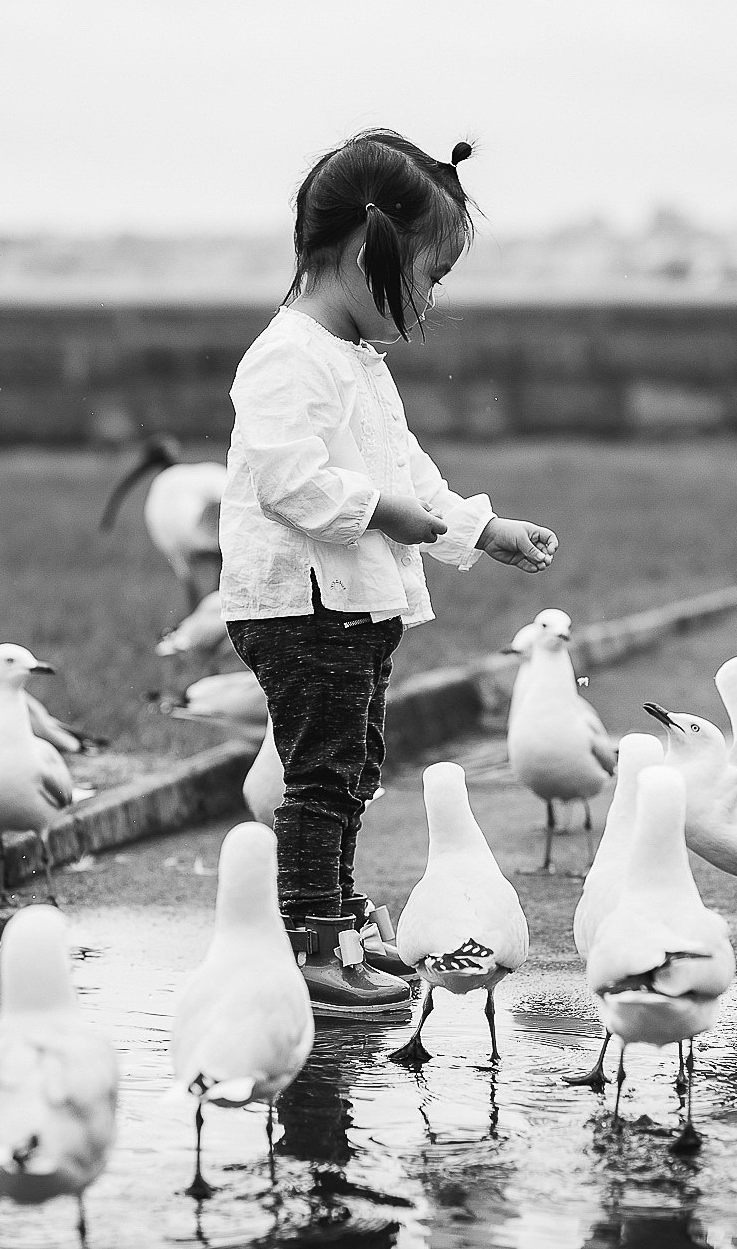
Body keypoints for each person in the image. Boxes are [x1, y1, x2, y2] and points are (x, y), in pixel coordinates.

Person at [220, 130, 559, 1020]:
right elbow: (288, 479)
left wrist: (482, 528)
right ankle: (308, 937)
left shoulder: (355, 360)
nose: (429, 298)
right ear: (368, 247)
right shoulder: (288, 356)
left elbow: (409, 471)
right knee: (323, 771)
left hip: (352, 604)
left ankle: (334, 914)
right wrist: (379, 510)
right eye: (427, 273)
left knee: (354, 761)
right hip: (300, 603)